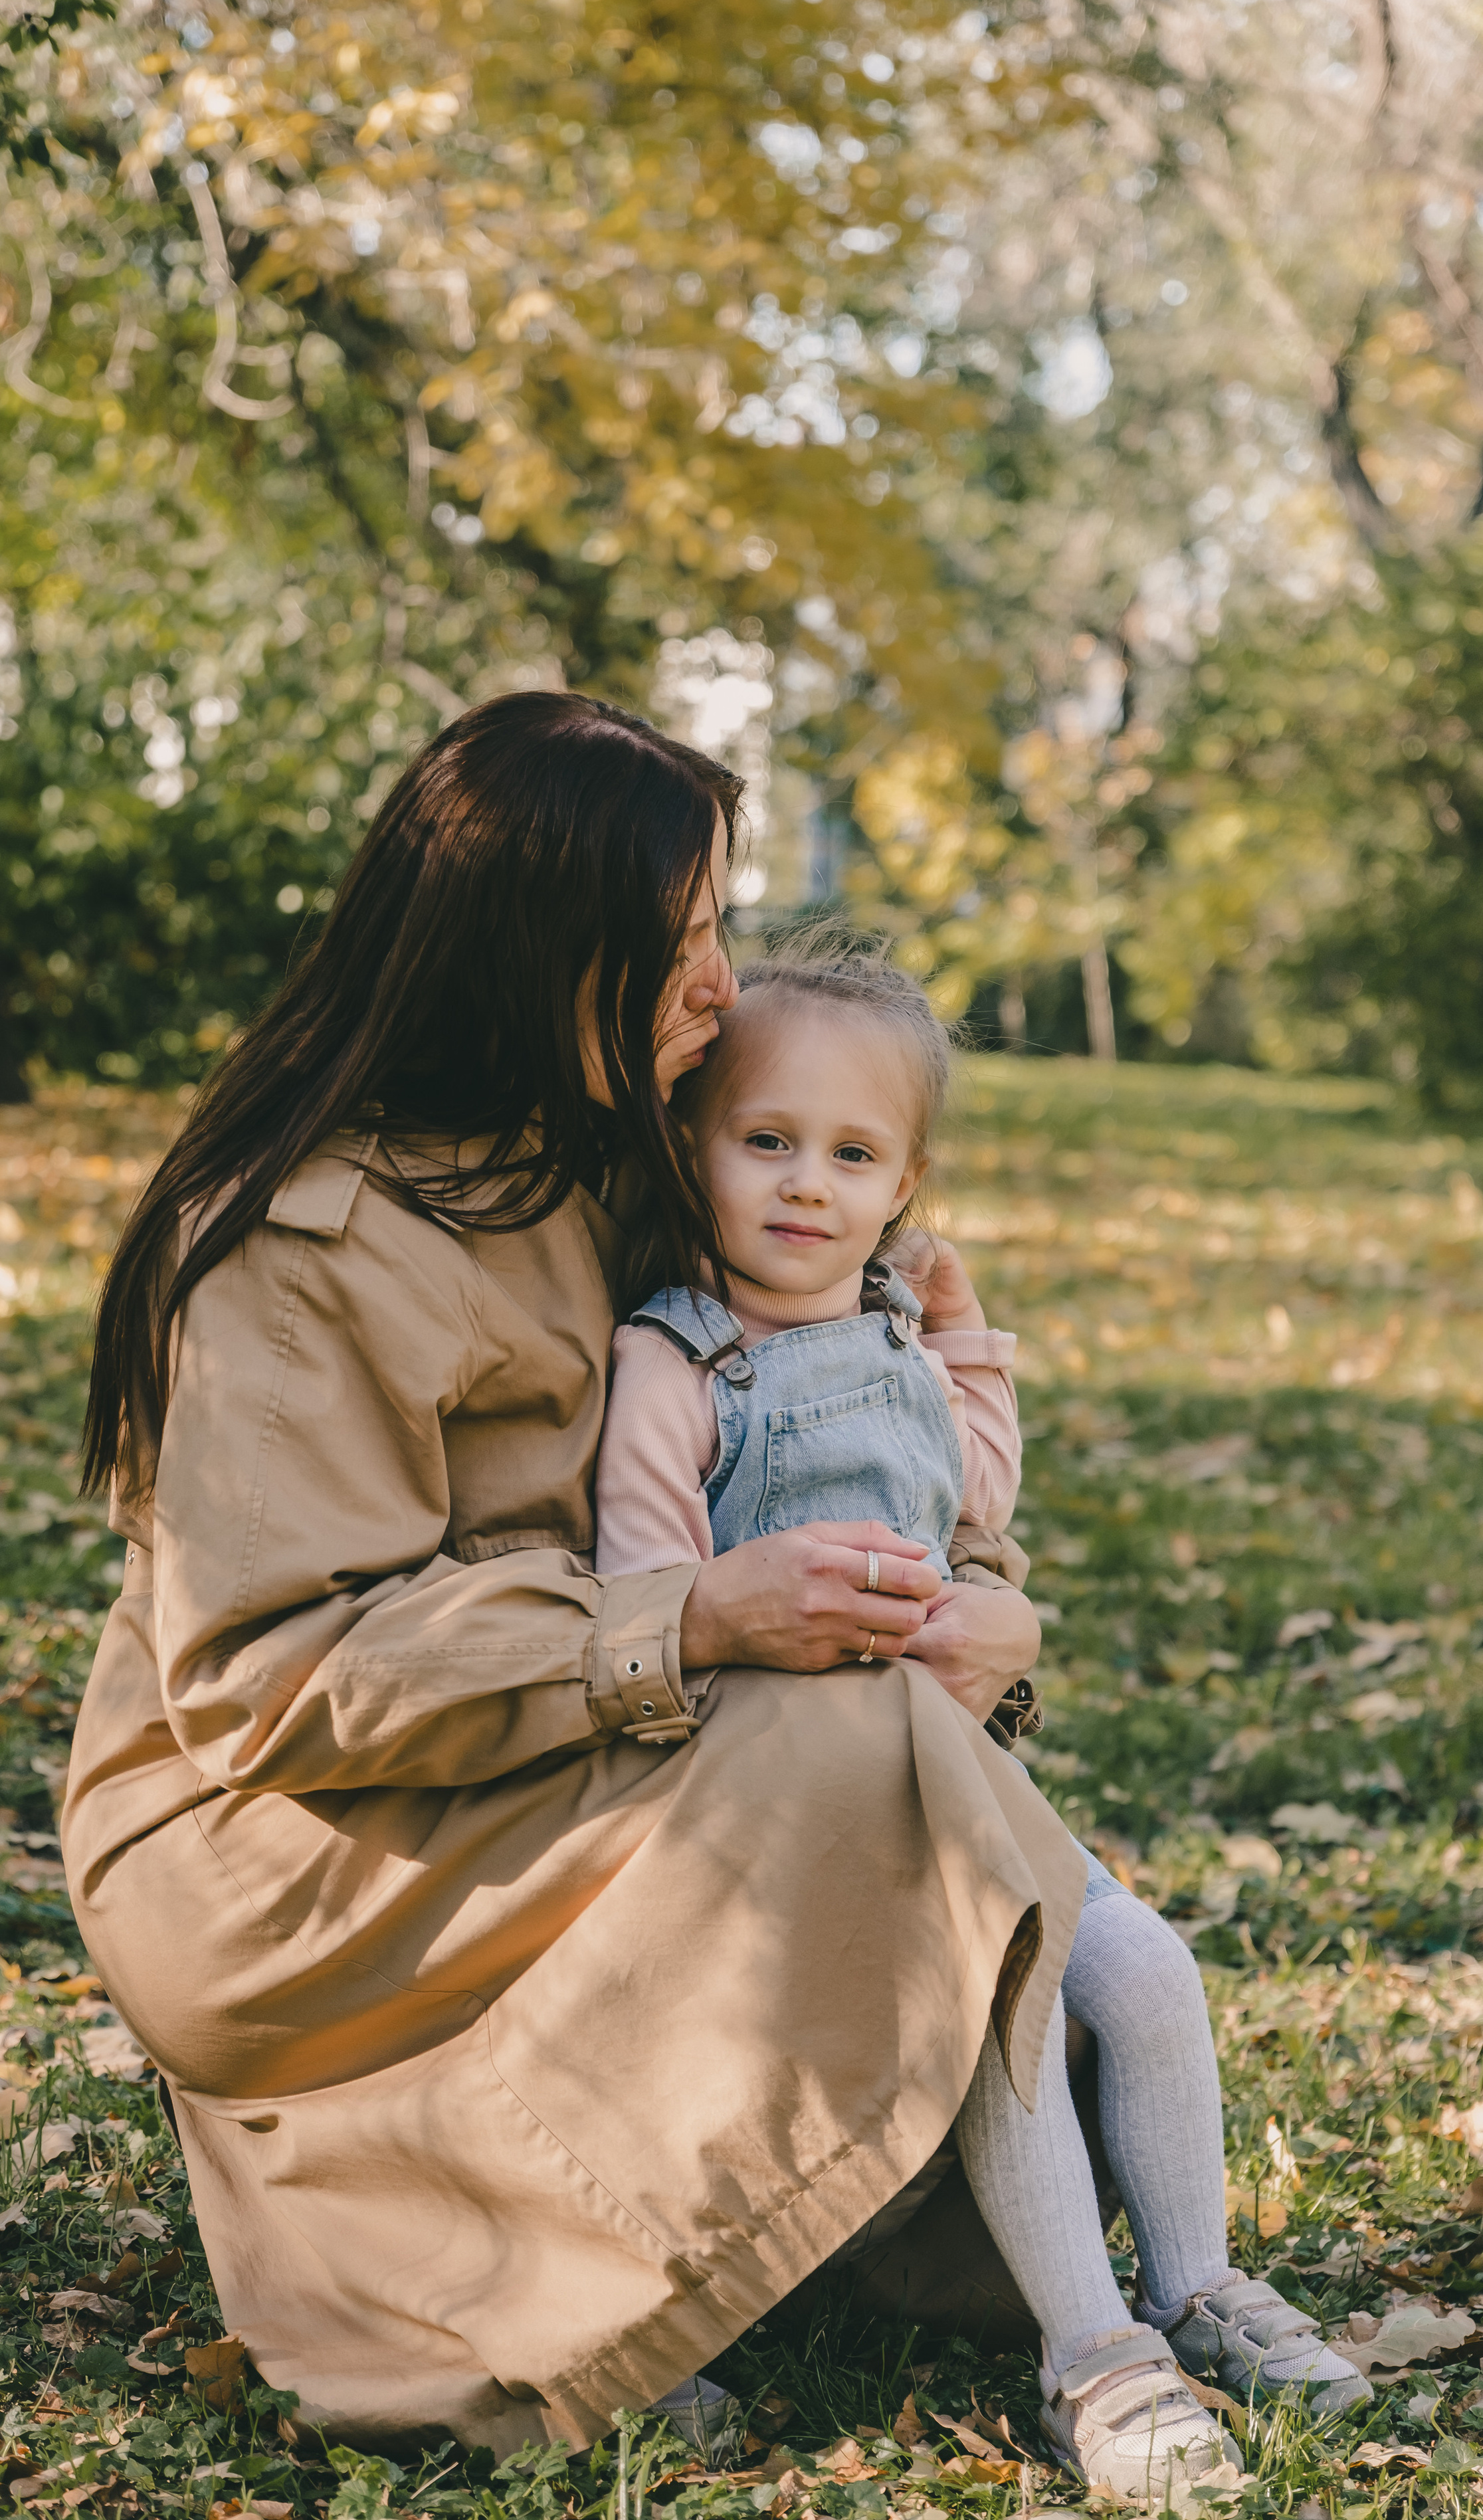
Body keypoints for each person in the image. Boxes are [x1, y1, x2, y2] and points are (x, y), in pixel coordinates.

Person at [61, 692, 1085, 2461]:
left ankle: (778, 2216)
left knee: (947, 1829)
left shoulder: (612, 1153)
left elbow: (850, 1413)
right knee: (856, 1757)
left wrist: (980, 1599)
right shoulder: (296, 1253)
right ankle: (503, 2277)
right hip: (276, 1838)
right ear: (547, 956)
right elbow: (265, 1678)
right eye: (683, 944)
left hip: (536, 1730)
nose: (725, 988)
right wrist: (691, 1619)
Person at [594, 943, 1371, 2501]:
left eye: (851, 1155)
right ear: (694, 1146)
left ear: (904, 1184)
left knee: (1141, 1968)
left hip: (953, 1765)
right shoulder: (674, 1361)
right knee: (995, 1997)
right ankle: (1093, 2361)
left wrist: (964, 1349)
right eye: (766, 1141)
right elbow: (645, 1588)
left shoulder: (898, 1334)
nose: (805, 1185)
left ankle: (1194, 2285)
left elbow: (973, 1507)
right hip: (794, 1803)